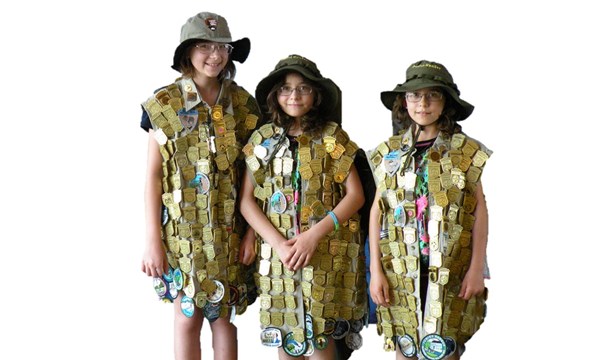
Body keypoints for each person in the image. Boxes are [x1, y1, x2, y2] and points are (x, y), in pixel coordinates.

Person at [139, 12, 261, 360]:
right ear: (187, 53)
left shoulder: (243, 105)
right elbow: (152, 175)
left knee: (224, 317)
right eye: (205, 46)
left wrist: (251, 234)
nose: (215, 55)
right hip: (181, 233)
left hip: (230, 232)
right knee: (186, 316)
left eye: (222, 47)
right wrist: (152, 240)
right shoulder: (165, 104)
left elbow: (256, 174)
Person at [238, 54, 367, 360]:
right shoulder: (262, 140)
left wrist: (313, 236)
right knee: (287, 342)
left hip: (323, 256)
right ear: (274, 95)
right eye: (285, 88)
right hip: (279, 257)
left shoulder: (331, 137)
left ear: (316, 94)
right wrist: (278, 244)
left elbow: (356, 195)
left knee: (321, 343)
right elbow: (246, 200)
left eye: (303, 88)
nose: (294, 96)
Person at [367, 60, 492, 360]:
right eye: (414, 95)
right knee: (405, 346)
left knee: (444, 346)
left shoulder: (464, 151)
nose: (423, 103)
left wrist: (476, 268)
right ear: (404, 102)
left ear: (446, 101)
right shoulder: (389, 152)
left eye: (432, 95)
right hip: (401, 268)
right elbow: (377, 211)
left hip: (451, 268)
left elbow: (479, 212)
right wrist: (375, 271)